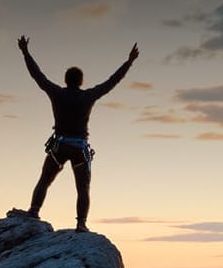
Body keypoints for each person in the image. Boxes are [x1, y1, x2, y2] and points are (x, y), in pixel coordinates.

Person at [20, 36, 138, 231]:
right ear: (81, 81)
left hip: (60, 145)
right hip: (79, 148)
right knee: (83, 188)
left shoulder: (56, 93)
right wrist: (129, 62)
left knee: (44, 180)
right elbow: (112, 82)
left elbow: (37, 75)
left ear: (66, 80)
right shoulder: (88, 96)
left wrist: (25, 52)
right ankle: (81, 224)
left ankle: (34, 210)